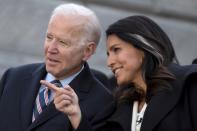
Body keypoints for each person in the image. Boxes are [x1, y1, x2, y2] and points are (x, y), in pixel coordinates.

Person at [0, 3, 112, 131]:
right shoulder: (13, 78)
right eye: (49, 37)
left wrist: (77, 119)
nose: (51, 49)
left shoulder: (102, 103)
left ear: (87, 50)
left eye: (63, 42)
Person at [75, 15, 197, 131]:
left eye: (116, 50)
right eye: (108, 54)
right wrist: (76, 117)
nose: (109, 62)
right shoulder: (119, 106)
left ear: (143, 47)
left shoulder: (189, 84)